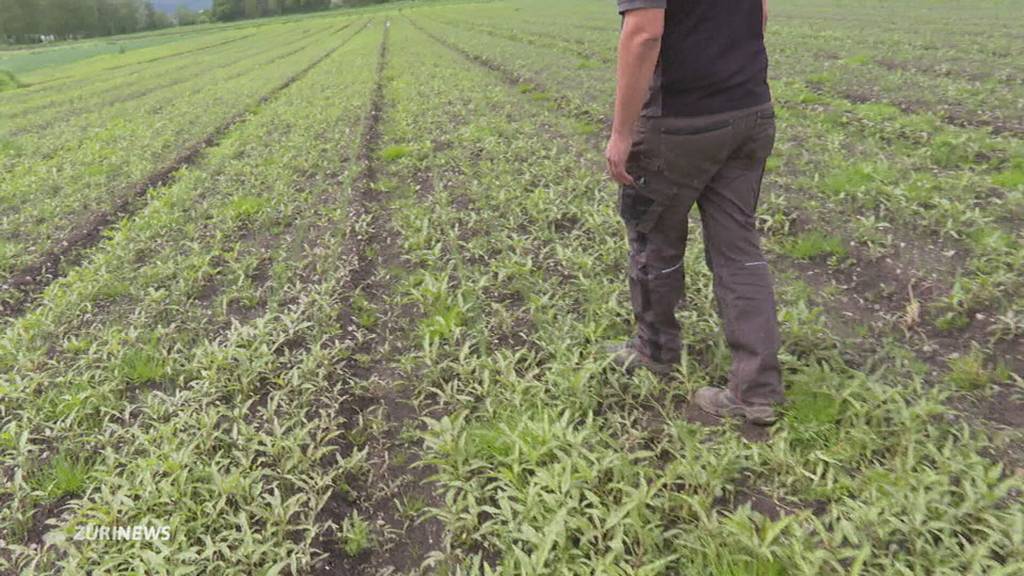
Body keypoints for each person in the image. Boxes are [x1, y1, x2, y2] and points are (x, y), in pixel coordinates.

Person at [604, 0, 785, 425]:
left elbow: (644, 32)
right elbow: (759, 12)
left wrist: (621, 134)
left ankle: (655, 351)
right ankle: (757, 391)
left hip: (678, 122)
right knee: (739, 249)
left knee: (653, 238)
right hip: (750, 112)